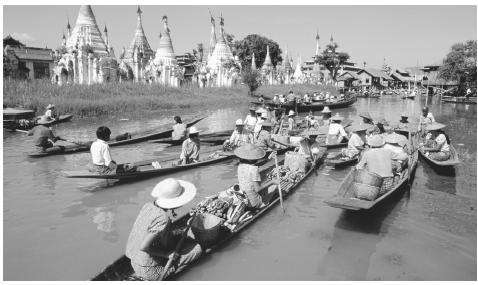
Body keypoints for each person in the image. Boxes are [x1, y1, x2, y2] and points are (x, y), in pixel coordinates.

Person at [125, 178, 202, 280]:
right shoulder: (163, 219)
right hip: (150, 270)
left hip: (134, 261)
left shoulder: (148, 205)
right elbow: (143, 247)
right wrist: (166, 254)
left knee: (178, 234)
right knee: (197, 249)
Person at [234, 144, 280, 209]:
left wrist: (269, 158)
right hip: (254, 203)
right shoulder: (253, 169)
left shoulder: (240, 164)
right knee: (275, 186)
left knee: (263, 183)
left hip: (244, 196)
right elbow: (257, 189)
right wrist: (272, 182)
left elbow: (256, 165)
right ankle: (262, 204)